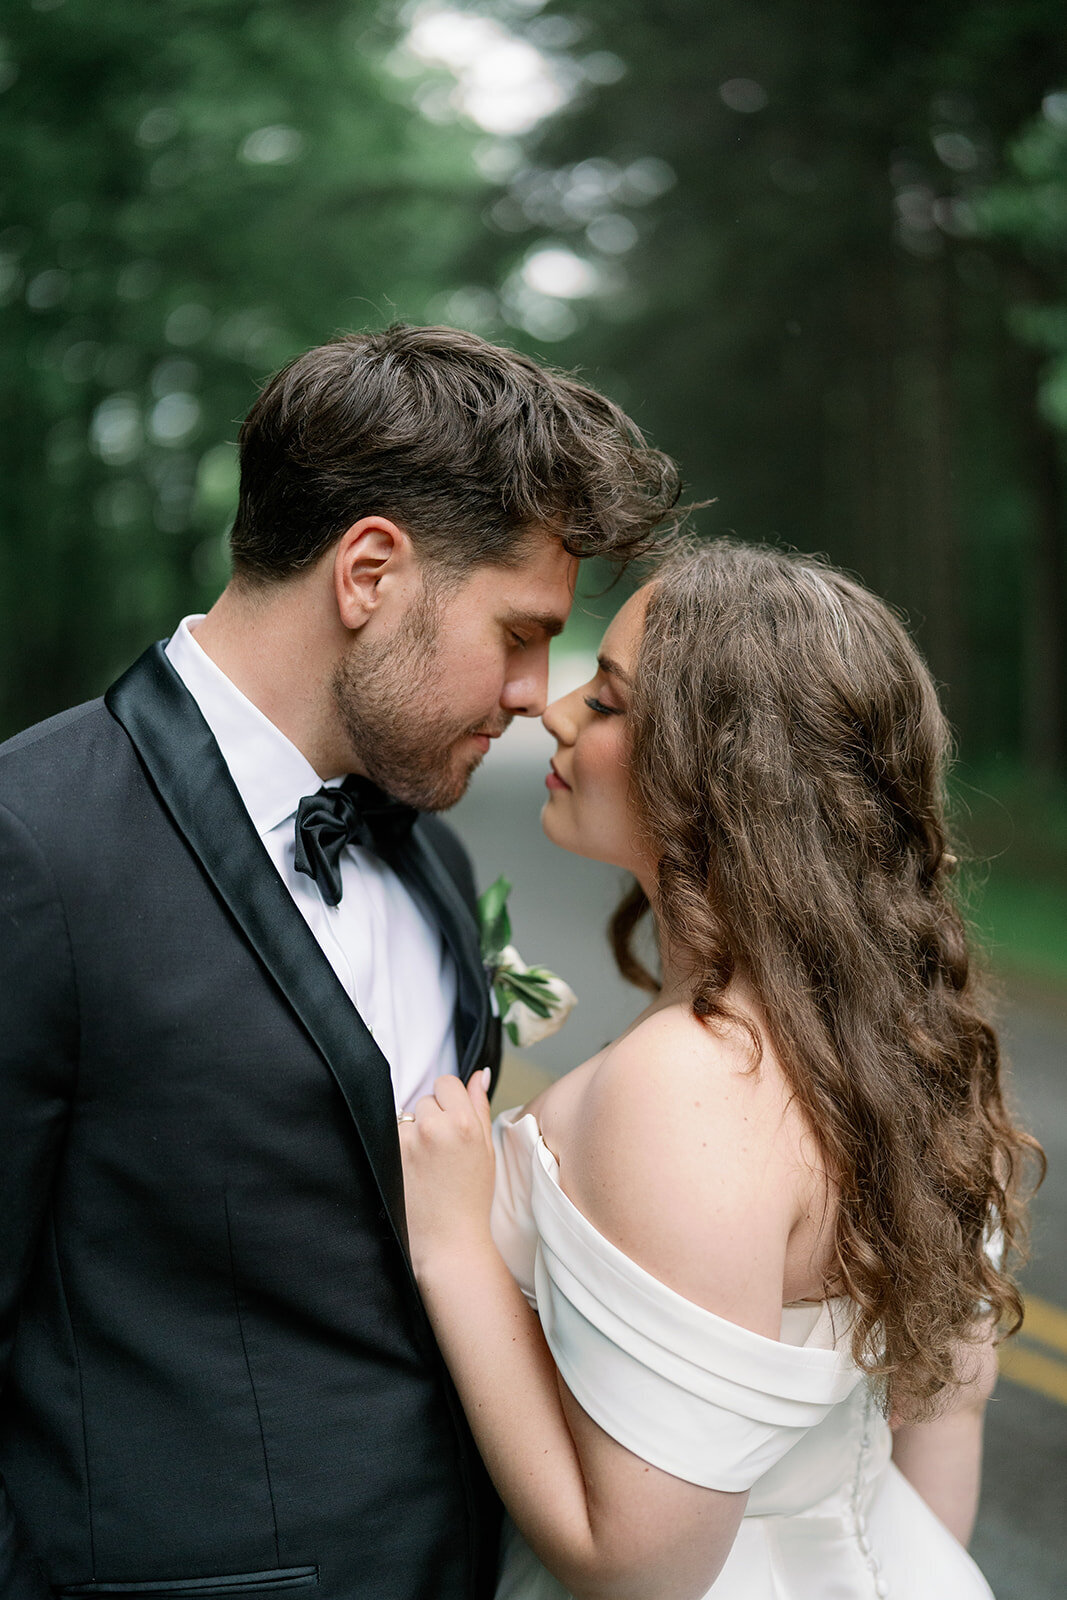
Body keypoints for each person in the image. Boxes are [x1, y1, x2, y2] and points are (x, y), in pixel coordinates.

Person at [0, 324, 681, 1600]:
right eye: (519, 629)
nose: (540, 691)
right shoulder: (30, 843)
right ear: (369, 570)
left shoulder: (416, 844)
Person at [399, 539, 1041, 1600]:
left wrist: (457, 1253)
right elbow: (944, 1414)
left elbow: (640, 1566)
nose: (555, 715)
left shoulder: (686, 1085)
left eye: (605, 701)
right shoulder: (903, 1042)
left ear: (718, 772)